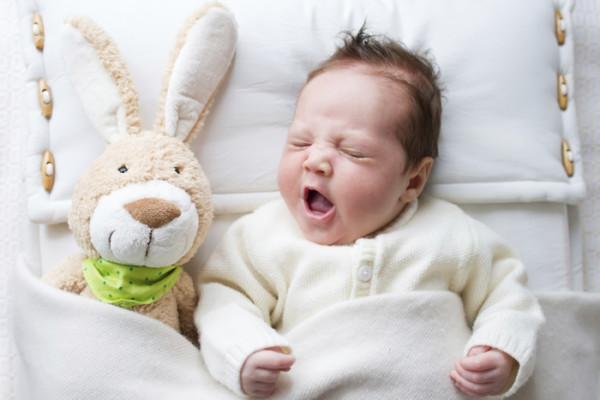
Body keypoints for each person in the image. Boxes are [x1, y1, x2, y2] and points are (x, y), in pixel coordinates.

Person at [196, 26, 543, 399]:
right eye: (300, 142)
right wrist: (244, 352)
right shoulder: (262, 237)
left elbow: (507, 296)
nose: (315, 160)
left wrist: (501, 349)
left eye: (354, 152)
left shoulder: (450, 234)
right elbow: (223, 302)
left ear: (412, 181)